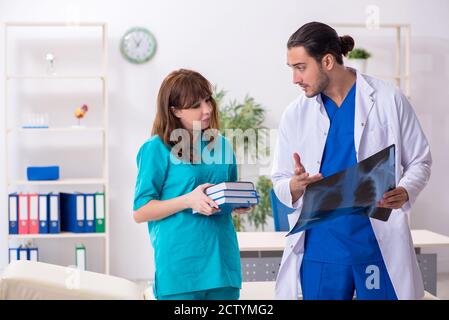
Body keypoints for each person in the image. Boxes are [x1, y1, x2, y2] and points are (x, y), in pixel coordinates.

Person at [272, 22, 432, 300]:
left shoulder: (387, 98)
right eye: (291, 69)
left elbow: (420, 160)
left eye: (300, 67)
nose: (294, 79)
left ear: (328, 61)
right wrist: (295, 185)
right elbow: (279, 181)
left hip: (375, 246)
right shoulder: (295, 114)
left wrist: (406, 189)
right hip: (320, 249)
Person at [133, 69, 251, 300]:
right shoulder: (156, 149)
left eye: (208, 100)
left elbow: (227, 193)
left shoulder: (222, 145)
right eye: (196, 105)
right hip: (181, 271)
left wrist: (238, 204)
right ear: (175, 111)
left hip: (223, 267)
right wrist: (188, 200)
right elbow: (140, 211)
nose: (206, 110)